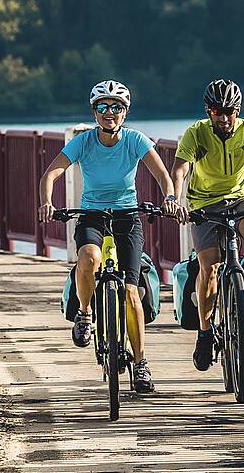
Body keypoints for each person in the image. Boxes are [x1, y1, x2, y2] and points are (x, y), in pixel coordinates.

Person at [38, 80, 178, 394]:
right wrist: (47, 202)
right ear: (94, 111)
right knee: (89, 258)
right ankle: (85, 314)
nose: (110, 113)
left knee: (131, 291)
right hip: (93, 215)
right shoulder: (84, 141)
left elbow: (162, 175)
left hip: (128, 216)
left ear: (125, 112)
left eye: (116, 107)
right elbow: (52, 172)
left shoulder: (135, 140)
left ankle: (141, 363)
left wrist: (169, 198)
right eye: (103, 107)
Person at [172, 78, 244, 372]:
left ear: (238, 109)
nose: (224, 117)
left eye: (230, 111)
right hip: (204, 203)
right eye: (217, 111)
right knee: (209, 266)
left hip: (242, 196)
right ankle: (205, 331)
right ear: (208, 111)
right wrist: (174, 197)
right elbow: (180, 168)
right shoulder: (196, 134)